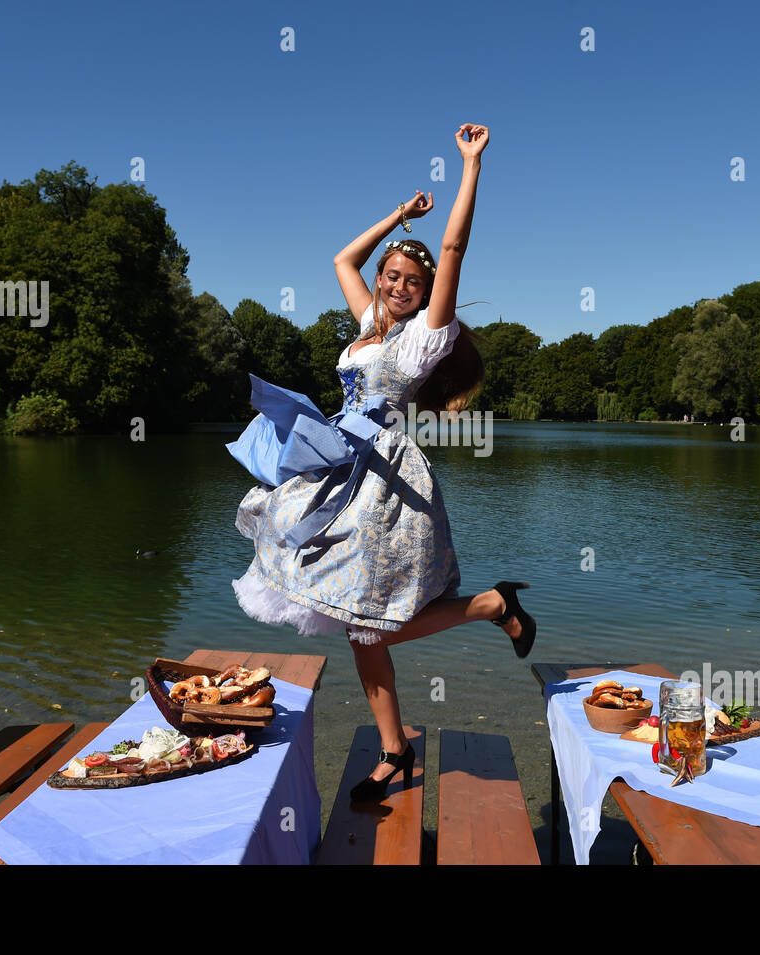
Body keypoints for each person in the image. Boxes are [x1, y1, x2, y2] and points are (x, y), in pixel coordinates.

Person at [228, 123, 535, 803]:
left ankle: (488, 604)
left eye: (412, 281)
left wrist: (470, 166)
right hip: (338, 462)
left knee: (371, 620)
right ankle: (395, 750)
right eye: (392, 276)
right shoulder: (368, 322)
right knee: (352, 624)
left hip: (385, 480)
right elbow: (341, 258)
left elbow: (454, 245)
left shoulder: (426, 337)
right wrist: (398, 217)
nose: (399, 285)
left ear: (427, 293)